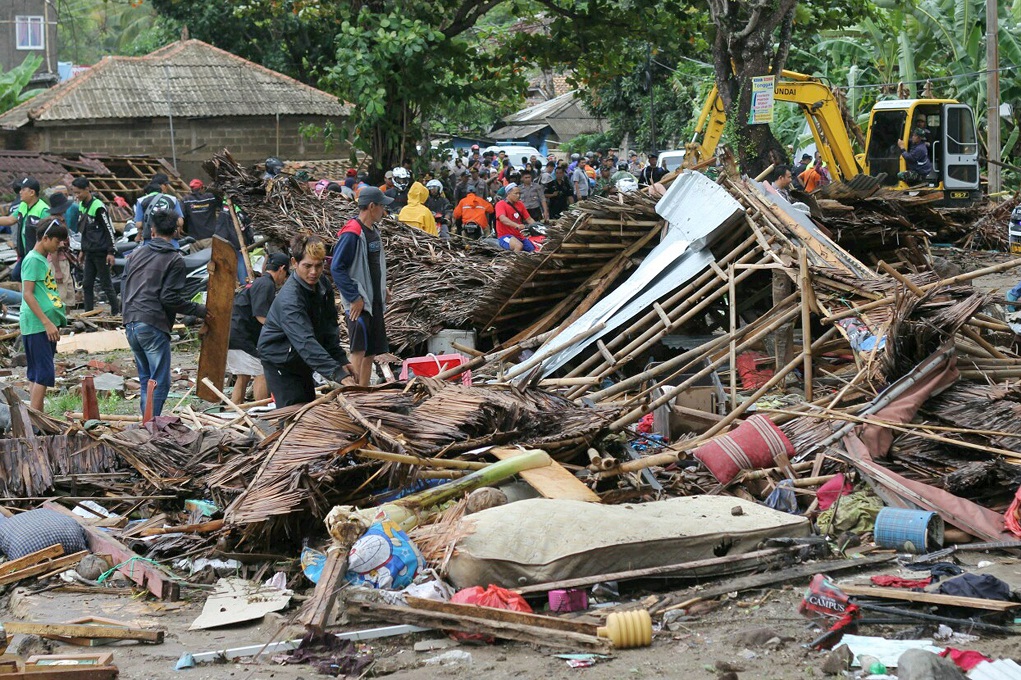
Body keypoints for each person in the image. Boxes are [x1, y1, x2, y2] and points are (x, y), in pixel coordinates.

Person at [122, 209, 206, 417]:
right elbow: (169, 298)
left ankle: (147, 424)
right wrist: (199, 310)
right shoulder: (174, 259)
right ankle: (151, 426)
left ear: (152, 230)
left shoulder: (136, 254)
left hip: (131, 322)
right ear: (177, 231)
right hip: (151, 323)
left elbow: (124, 287)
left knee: (146, 379)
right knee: (159, 380)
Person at [331, 187, 391, 387]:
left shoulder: (373, 231)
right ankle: (353, 393)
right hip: (360, 303)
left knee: (371, 351)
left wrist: (383, 289)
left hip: (374, 301)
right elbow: (337, 268)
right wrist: (354, 297)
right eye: (382, 206)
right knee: (358, 350)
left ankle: (363, 392)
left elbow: (375, 266)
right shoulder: (352, 233)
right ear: (372, 206)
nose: (384, 210)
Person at [228, 253, 290, 402]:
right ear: (281, 269)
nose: (285, 279)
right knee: (262, 371)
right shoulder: (266, 284)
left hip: (232, 334)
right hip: (240, 336)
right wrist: (282, 330)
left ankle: (235, 410)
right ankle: (260, 411)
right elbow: (261, 316)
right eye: (286, 274)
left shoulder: (259, 282)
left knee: (243, 375)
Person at [20, 218, 67, 411]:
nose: (60, 245)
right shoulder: (32, 260)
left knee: (36, 373)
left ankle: (33, 419)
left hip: (42, 324)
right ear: (45, 238)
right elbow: (28, 294)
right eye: (57, 241)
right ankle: (36, 422)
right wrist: (47, 322)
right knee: (45, 373)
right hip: (38, 324)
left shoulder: (41, 259)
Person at [71, 178, 119, 315]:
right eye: (75, 193)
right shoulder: (82, 206)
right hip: (89, 251)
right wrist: (82, 250)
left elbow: (109, 229)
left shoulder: (98, 207)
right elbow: (83, 230)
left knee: (106, 284)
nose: (77, 196)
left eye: (79, 192)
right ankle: (88, 313)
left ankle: (116, 312)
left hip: (101, 251)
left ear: (87, 189)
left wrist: (111, 251)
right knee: (86, 284)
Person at [0, 177, 50, 281]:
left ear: (32, 192)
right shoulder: (23, 205)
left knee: (31, 280)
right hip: (25, 254)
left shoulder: (43, 210)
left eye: (23, 190)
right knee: (17, 276)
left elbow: (49, 236)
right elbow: (10, 220)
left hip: (37, 256)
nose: (20, 192)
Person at [131, 174, 183, 242]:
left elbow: (139, 224)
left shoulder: (141, 201)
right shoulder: (173, 199)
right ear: (160, 186)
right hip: (170, 241)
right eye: (165, 185)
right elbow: (180, 222)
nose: (167, 187)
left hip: (150, 241)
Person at [214, 203, 255, 285]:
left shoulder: (228, 208)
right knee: (240, 262)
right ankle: (244, 283)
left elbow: (222, 228)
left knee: (240, 263)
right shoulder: (235, 208)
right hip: (235, 242)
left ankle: (245, 284)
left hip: (233, 242)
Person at [495, 183, 539, 253]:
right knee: (518, 246)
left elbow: (529, 219)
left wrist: (538, 227)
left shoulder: (520, 204)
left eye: (519, 194)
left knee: (533, 249)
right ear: (508, 193)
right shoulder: (500, 204)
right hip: (505, 236)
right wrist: (516, 225)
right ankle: (513, 263)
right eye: (516, 194)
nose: (518, 196)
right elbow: (502, 219)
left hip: (519, 235)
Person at [180, 179, 220, 249]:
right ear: (201, 188)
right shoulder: (210, 198)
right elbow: (220, 200)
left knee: (195, 259)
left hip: (193, 239)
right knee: (210, 259)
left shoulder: (186, 200)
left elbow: (181, 217)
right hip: (209, 237)